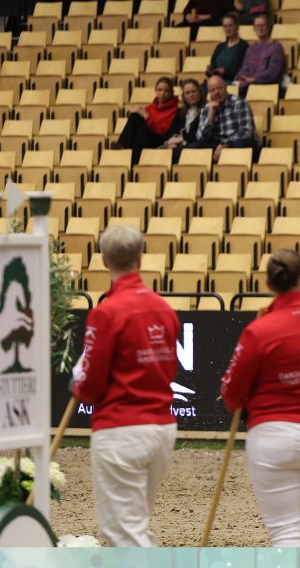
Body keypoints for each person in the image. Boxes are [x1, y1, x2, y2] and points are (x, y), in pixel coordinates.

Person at [221, 249, 300, 547]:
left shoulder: (259, 330)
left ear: (268, 284)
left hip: (274, 435)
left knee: (285, 534)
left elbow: (232, 393)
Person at [71, 224, 179, 547]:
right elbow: (168, 368)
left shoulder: (106, 312)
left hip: (121, 429)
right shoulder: (164, 309)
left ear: (104, 261)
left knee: (123, 533)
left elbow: (91, 385)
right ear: (140, 258)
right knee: (136, 526)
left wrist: (79, 383)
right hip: (161, 426)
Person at [113, 76, 182, 165]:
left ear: (171, 92)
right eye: (160, 90)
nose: (162, 93)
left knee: (142, 131)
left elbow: (162, 132)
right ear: (155, 91)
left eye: (166, 91)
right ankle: (123, 147)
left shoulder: (175, 110)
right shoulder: (151, 107)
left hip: (160, 140)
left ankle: (129, 156)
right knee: (135, 117)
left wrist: (146, 116)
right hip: (145, 139)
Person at [194, 75, 257, 161]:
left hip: (238, 142)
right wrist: (211, 115)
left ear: (226, 88)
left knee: (240, 143)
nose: (217, 92)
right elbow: (200, 137)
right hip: (218, 144)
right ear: (209, 93)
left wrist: (225, 144)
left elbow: (246, 131)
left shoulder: (239, 102)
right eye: (212, 90)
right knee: (195, 146)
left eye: (220, 88)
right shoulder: (207, 108)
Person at [234, 14, 285, 97]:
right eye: (257, 26)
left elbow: (273, 72)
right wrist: (240, 78)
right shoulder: (251, 47)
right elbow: (245, 67)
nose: (260, 28)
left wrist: (254, 79)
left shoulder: (276, 47)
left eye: (263, 25)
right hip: (249, 84)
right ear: (254, 29)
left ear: (268, 27)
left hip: (266, 86)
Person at [163, 78, 205, 158]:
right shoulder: (180, 112)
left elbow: (200, 134)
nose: (191, 95)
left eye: (194, 91)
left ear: (200, 92)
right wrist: (171, 142)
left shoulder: (206, 110)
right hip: (179, 146)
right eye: (187, 93)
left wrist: (182, 139)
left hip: (195, 146)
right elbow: (170, 131)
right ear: (184, 96)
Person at [207, 12, 248, 84]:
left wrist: (225, 71)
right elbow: (213, 65)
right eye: (225, 26)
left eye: (230, 25)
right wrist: (210, 71)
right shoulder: (220, 46)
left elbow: (243, 70)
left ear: (237, 26)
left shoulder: (244, 46)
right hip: (216, 81)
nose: (228, 29)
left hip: (232, 82)